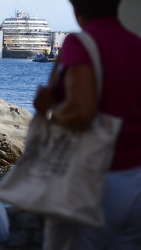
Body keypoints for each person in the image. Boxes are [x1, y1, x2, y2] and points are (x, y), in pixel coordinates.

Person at [33, 0, 141, 249]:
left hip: (94, 180)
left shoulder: (79, 43)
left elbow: (81, 111)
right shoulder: (136, 45)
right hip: (135, 178)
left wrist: (49, 108)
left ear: (77, 6)